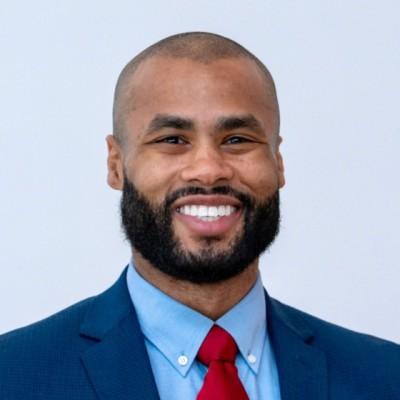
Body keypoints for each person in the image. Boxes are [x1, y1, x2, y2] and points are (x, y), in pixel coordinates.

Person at [0, 32, 398, 400]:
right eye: (172, 140)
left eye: (237, 140)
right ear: (116, 164)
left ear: (277, 161)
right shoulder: (13, 376)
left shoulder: (385, 376)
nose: (208, 170)